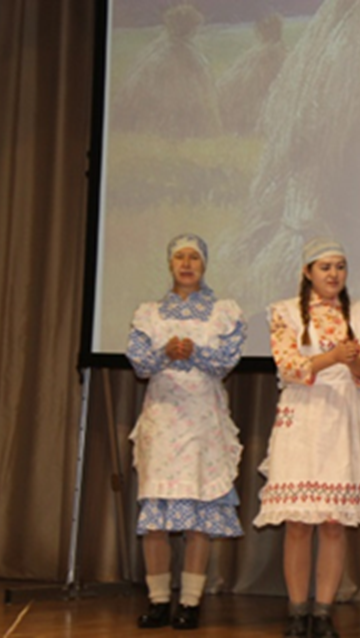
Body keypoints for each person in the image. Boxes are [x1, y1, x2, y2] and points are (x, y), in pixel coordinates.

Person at [254, 238, 360, 638]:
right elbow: (289, 366)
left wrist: (356, 362)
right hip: (303, 415)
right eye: (325, 267)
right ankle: (297, 612)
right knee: (298, 521)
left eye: (340, 267)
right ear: (307, 272)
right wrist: (332, 358)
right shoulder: (286, 313)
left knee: (333, 522)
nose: (333, 274)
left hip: (344, 416)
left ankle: (324, 612)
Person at [126, 233, 246, 630]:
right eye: (180, 257)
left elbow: (227, 360)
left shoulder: (223, 312)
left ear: (204, 264)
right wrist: (165, 353)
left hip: (202, 420)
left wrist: (196, 351)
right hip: (161, 421)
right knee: (155, 520)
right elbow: (139, 363)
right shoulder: (149, 313)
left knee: (198, 517)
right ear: (170, 263)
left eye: (194, 257)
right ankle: (159, 600)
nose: (187, 263)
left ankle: (190, 603)